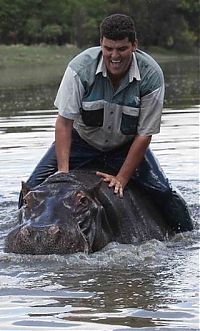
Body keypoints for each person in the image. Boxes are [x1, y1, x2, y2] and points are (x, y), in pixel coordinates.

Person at [19, 13, 193, 232]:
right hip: (80, 143)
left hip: (125, 146)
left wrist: (121, 178)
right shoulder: (79, 69)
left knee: (166, 193)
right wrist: (63, 173)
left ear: (134, 46)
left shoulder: (151, 76)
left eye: (121, 49)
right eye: (108, 48)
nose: (114, 56)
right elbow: (64, 123)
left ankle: (187, 238)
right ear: (101, 43)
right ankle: (21, 232)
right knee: (31, 189)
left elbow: (144, 134)